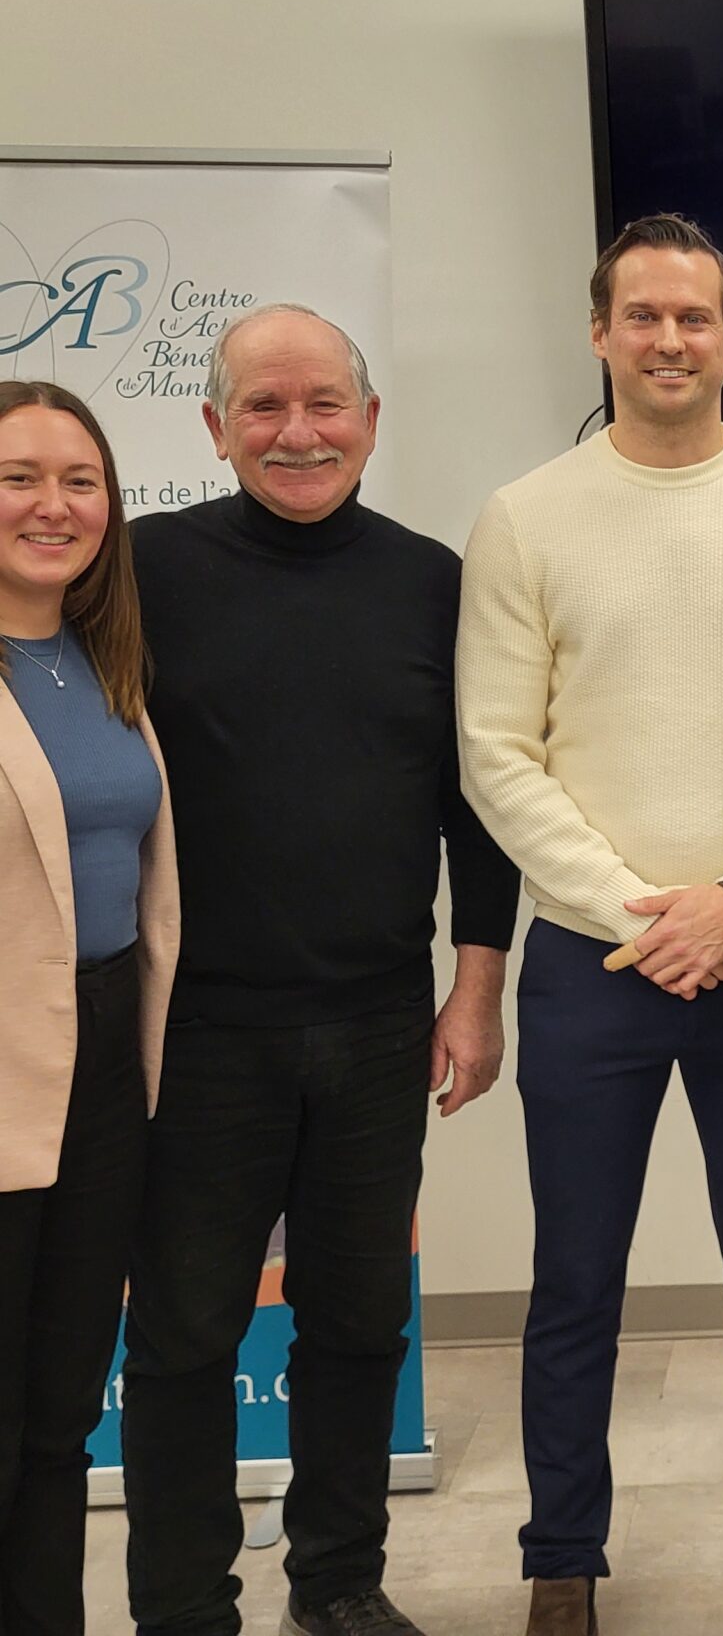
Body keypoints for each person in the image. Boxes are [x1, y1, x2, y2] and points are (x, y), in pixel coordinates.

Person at [457, 212, 723, 1636]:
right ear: (599, 333)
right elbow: (496, 752)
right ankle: (559, 1563)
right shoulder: (526, 517)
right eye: (642, 316)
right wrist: (642, 913)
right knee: (575, 1282)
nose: (670, 341)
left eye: (695, 318)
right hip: (594, 964)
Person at [122, 305, 521, 1636]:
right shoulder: (139, 573)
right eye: (264, 408)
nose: (298, 435)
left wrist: (476, 988)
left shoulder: (432, 581)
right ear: (214, 429)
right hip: (199, 1036)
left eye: (323, 406)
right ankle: (185, 1605)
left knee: (357, 1326)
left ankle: (339, 1588)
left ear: (369, 418)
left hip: (374, 1024)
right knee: (184, 1340)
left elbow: (478, 805)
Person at [0, 380, 176, 1636]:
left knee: (62, 1410)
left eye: (80, 482)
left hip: (107, 1059)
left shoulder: (99, 658)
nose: (53, 506)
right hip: (6, 1061)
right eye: (17, 477)